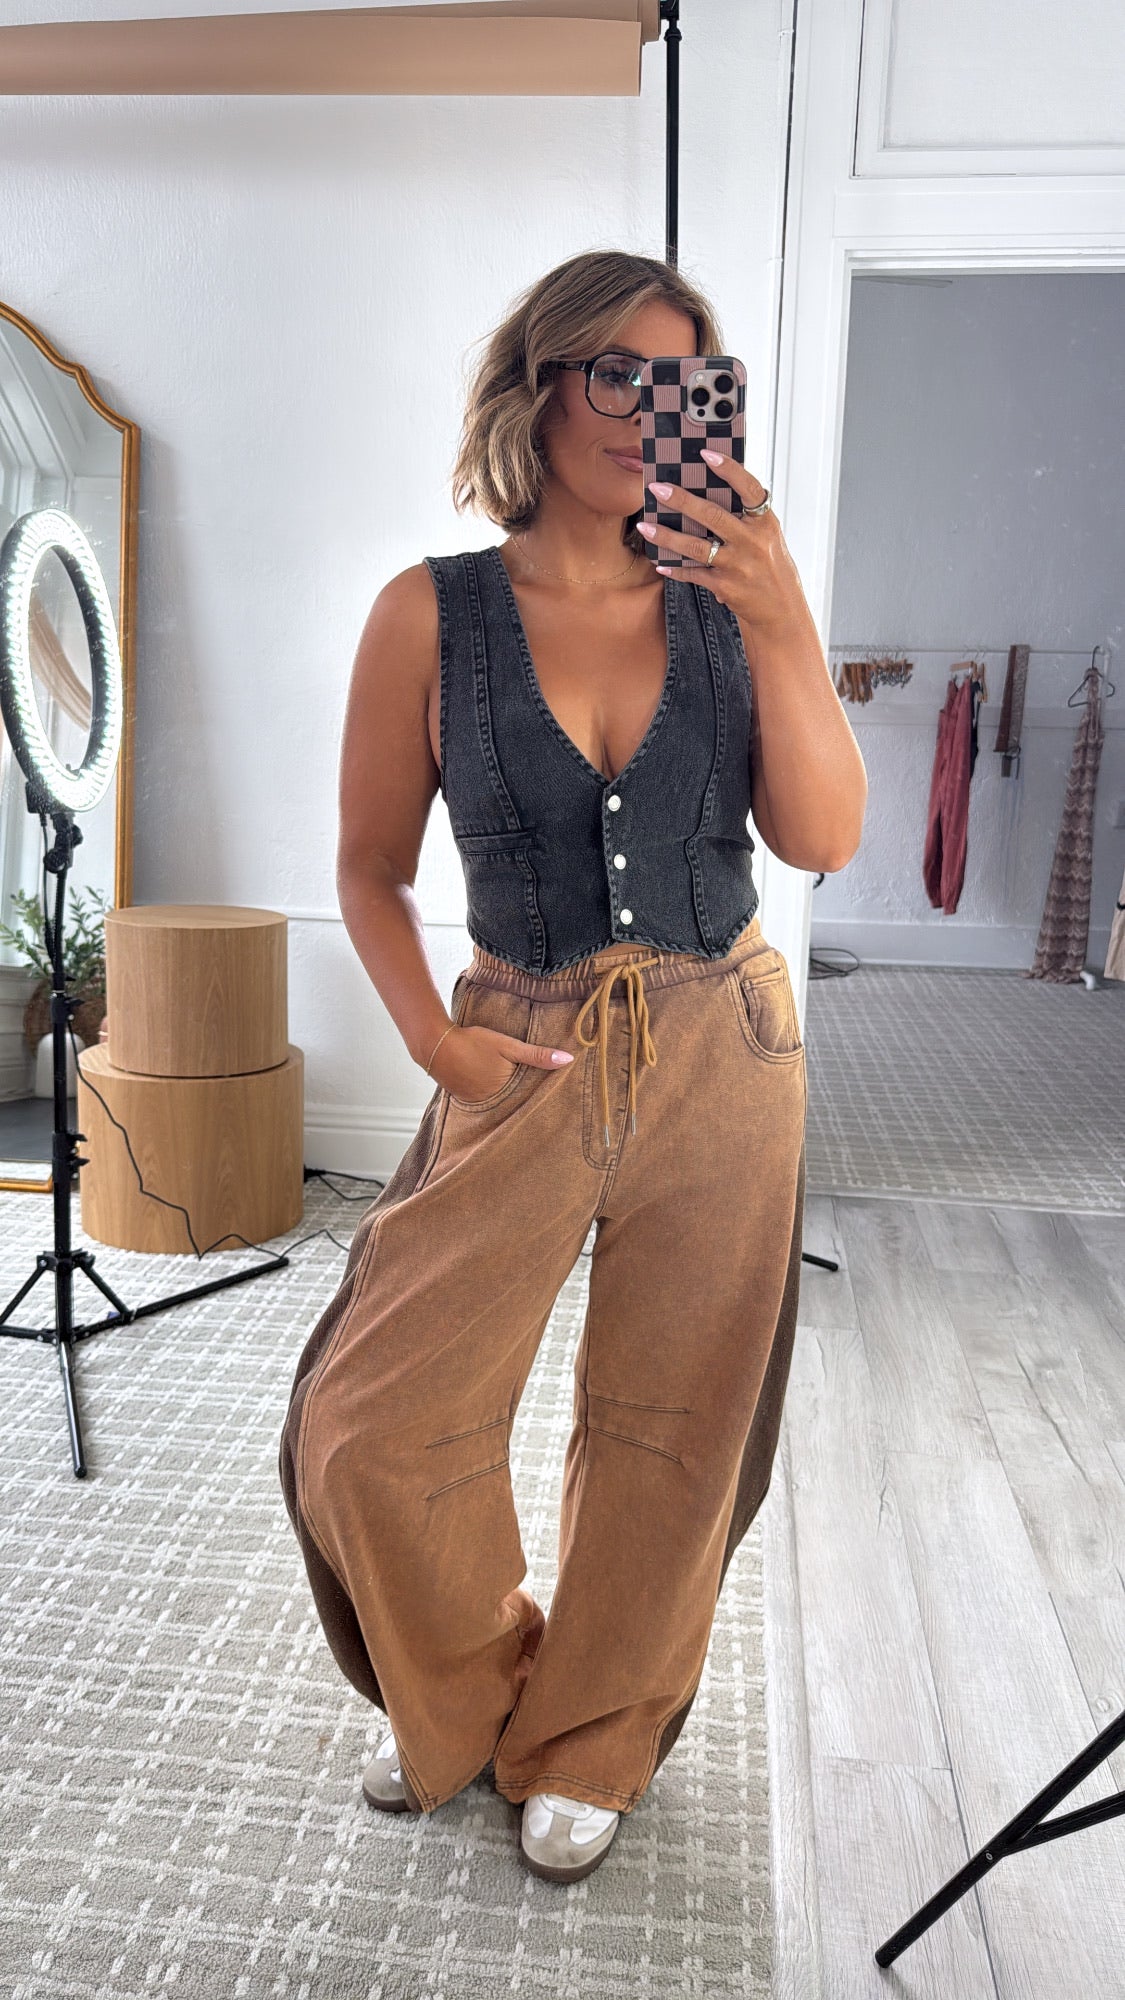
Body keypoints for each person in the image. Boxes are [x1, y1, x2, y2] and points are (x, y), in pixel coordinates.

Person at [278, 249, 866, 1884]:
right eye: (610, 371)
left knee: (674, 1426)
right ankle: (463, 1694)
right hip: (518, 1048)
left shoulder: (730, 603)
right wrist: (428, 1037)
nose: (639, 408)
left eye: (678, 381)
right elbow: (366, 866)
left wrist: (781, 612)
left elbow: (818, 839)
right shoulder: (429, 614)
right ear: (534, 387)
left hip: (724, 1047)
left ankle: (592, 1732)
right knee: (369, 1420)